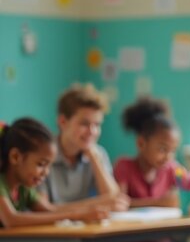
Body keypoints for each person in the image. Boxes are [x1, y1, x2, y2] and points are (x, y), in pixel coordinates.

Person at [0, 118, 108, 242]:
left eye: (49, 165)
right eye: (41, 164)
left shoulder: (23, 188)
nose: (46, 172)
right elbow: (11, 220)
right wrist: (76, 216)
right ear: (15, 157)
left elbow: (49, 209)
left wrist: (85, 213)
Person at [38, 83, 129, 211]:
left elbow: (115, 200)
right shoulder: (41, 153)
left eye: (97, 124)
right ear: (63, 122)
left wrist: (94, 158)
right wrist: (96, 205)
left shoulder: (98, 153)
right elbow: (43, 209)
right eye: (84, 124)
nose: (92, 131)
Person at [114, 96, 190, 207]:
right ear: (141, 143)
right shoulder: (124, 166)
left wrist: (189, 201)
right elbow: (118, 203)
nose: (169, 157)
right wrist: (159, 202)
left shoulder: (172, 169)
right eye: (162, 149)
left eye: (173, 151)